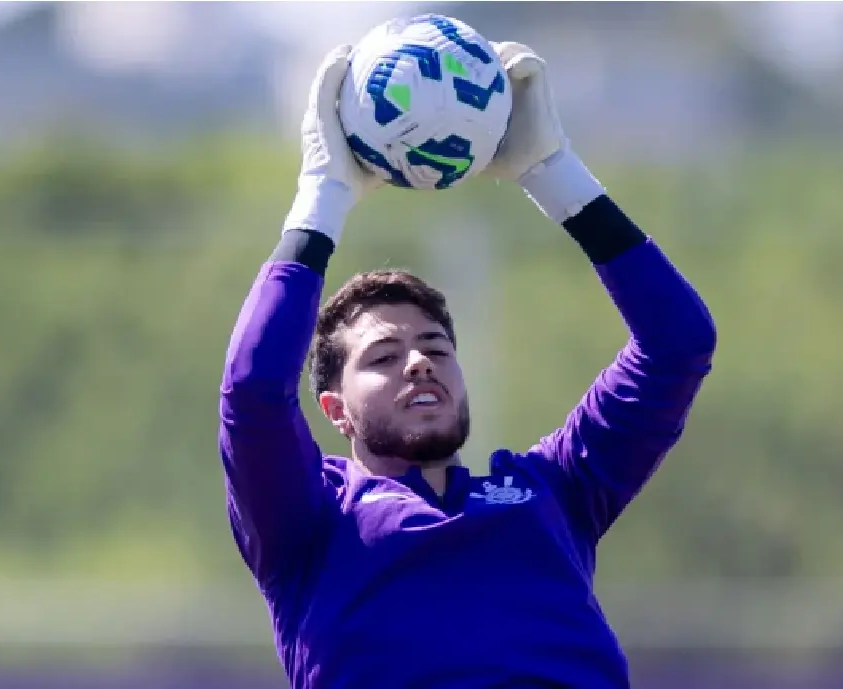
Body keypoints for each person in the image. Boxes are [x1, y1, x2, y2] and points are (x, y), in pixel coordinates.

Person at [219, 36, 717, 689]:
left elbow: (677, 345)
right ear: (334, 408)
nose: (419, 362)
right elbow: (254, 390)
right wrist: (322, 197)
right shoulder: (309, 523)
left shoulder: (555, 491)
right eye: (384, 356)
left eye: (435, 347)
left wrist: (554, 172)